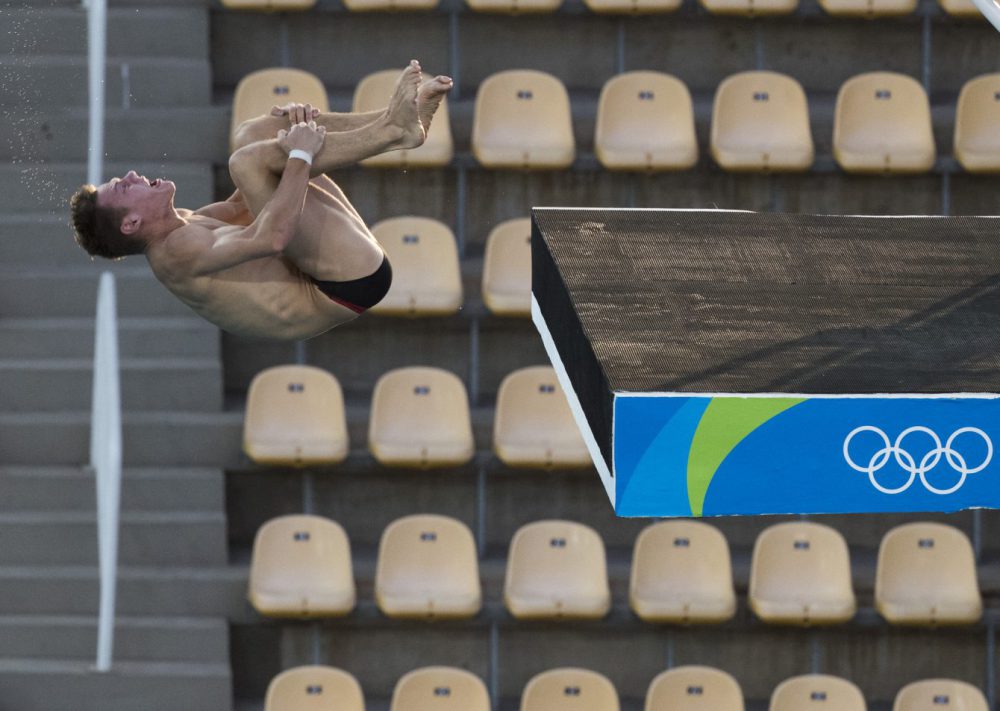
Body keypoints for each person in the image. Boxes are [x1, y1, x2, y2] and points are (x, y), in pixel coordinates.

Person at [69, 60, 453, 340]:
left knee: (254, 134)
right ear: (131, 223)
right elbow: (271, 238)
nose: (133, 176)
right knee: (248, 159)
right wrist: (299, 154)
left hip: (329, 268)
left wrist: (291, 131)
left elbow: (245, 204)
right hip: (345, 284)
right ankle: (395, 132)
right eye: (123, 187)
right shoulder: (176, 253)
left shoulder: (186, 221)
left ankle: (396, 121)